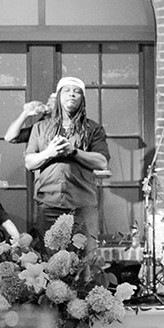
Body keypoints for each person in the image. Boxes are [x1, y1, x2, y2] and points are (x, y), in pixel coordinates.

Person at [11, 76, 109, 243]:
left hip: (82, 205)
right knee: (49, 261)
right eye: (67, 90)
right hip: (49, 204)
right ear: (59, 97)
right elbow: (29, 162)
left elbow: (101, 161)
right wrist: (49, 152)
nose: (72, 94)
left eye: (77, 92)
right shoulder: (40, 127)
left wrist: (73, 151)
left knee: (84, 262)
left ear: (82, 99)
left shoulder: (93, 128)